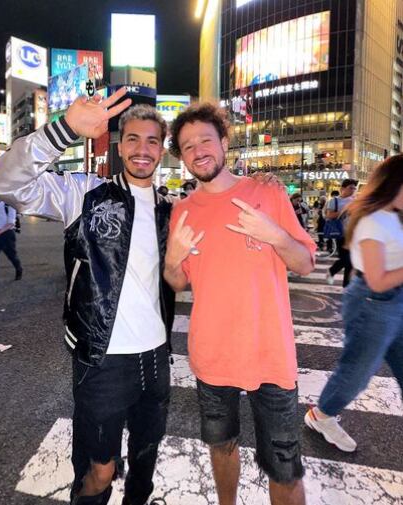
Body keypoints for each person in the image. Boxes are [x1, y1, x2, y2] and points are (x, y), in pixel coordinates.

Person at [0, 88, 174, 505]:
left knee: (144, 465)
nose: (142, 149)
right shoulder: (84, 194)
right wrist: (66, 129)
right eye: (132, 139)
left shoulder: (171, 209)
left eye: (152, 141)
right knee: (97, 472)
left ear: (161, 150)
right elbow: (4, 182)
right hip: (102, 360)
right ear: (119, 147)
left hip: (156, 360)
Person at [164, 103, 316, 505]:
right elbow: (177, 281)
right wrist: (172, 260)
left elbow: (304, 262)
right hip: (212, 355)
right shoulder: (182, 212)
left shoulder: (267, 192)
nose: (198, 151)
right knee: (222, 446)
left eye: (205, 140)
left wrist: (275, 235)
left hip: (270, 355)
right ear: (181, 157)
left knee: (284, 467)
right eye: (187, 146)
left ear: (224, 141)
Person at [305, 155, 403, 452]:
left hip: (395, 299)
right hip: (373, 302)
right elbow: (377, 280)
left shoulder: (395, 216)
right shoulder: (373, 222)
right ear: (394, 185)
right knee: (357, 372)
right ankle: (321, 415)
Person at [325, 179, 357, 286]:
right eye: (350, 188)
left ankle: (346, 287)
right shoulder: (334, 201)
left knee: (351, 261)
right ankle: (332, 271)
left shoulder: (356, 201)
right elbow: (329, 215)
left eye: (354, 188)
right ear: (342, 188)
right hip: (341, 233)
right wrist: (345, 210)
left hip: (354, 233)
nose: (353, 190)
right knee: (347, 259)